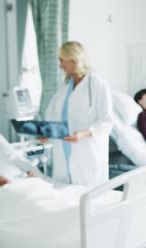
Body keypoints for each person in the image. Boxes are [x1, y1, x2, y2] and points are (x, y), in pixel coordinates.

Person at [43, 41, 113, 186]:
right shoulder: (64, 86)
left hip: (86, 151)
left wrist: (84, 133)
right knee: (66, 197)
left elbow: (106, 121)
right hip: (63, 151)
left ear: (74, 59)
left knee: (89, 197)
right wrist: (46, 134)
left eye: (62, 60)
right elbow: (53, 115)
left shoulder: (97, 85)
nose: (60, 65)